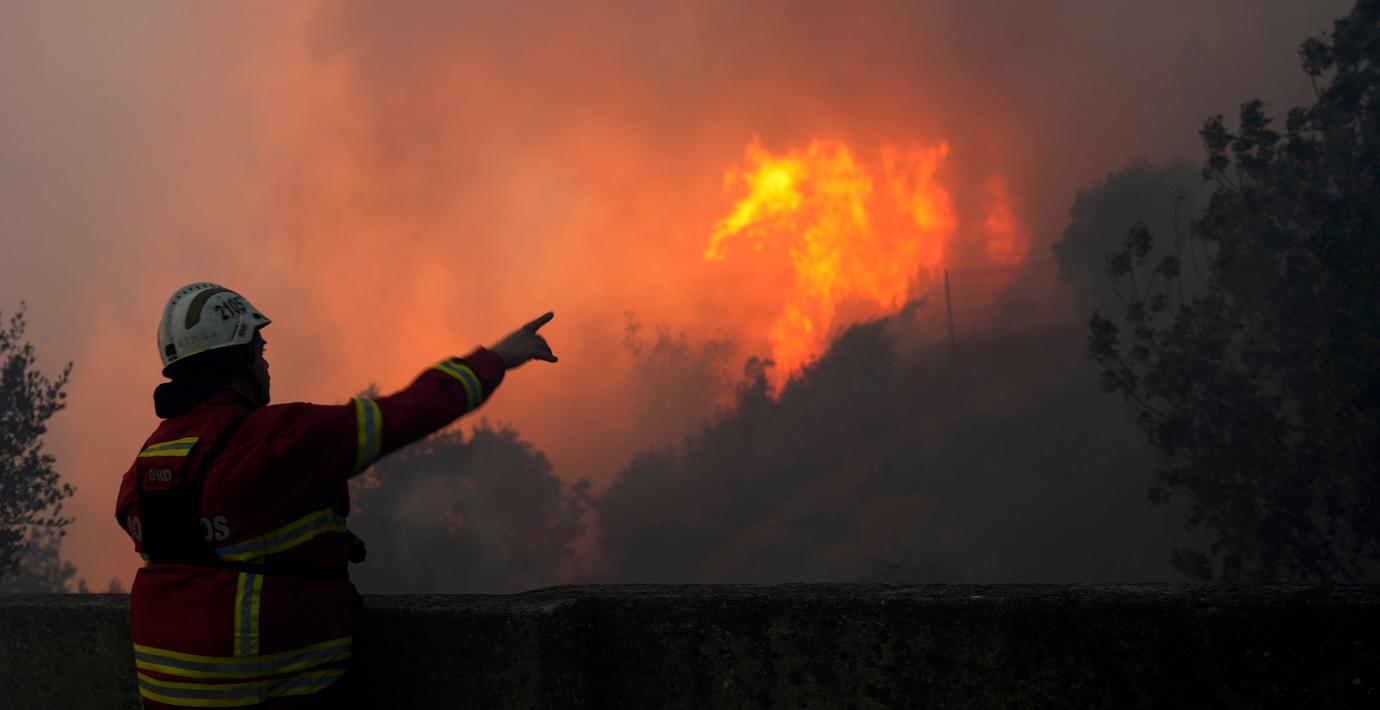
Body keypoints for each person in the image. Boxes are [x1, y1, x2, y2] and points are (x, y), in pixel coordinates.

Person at [114, 282, 556, 708]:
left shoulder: (148, 461)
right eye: (260, 351)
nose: (266, 364)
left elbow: (218, 537)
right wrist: (497, 357)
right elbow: (410, 411)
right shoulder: (281, 438)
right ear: (239, 358)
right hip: (275, 696)